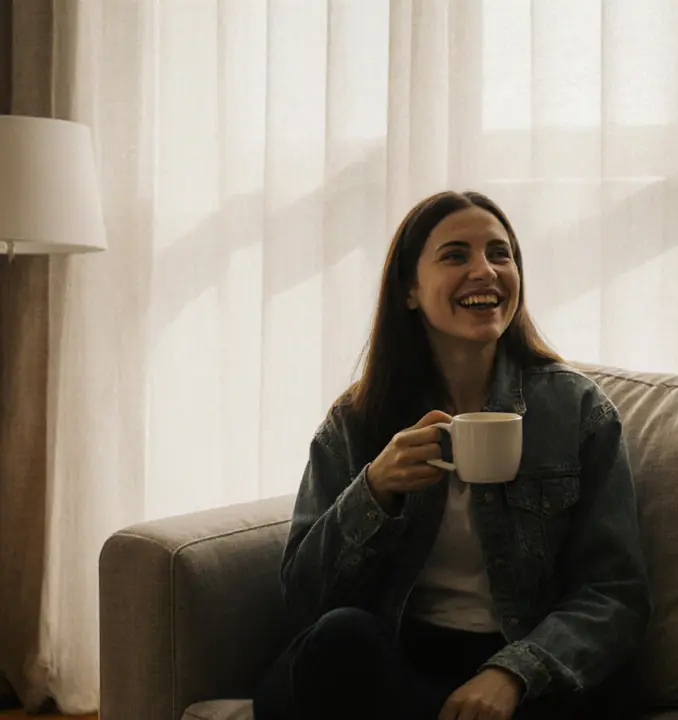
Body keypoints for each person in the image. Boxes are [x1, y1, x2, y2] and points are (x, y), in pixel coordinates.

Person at [253, 191, 651, 720]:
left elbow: (614, 594)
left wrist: (513, 673)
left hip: (528, 662)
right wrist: (373, 490)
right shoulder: (356, 421)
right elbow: (304, 601)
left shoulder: (575, 410)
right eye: (455, 255)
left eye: (500, 253)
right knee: (337, 641)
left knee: (600, 693)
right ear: (410, 291)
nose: (485, 271)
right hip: (403, 658)